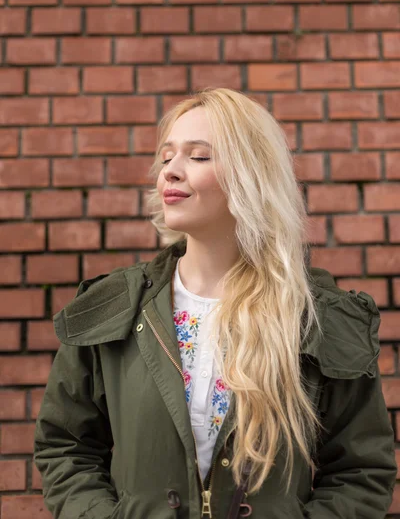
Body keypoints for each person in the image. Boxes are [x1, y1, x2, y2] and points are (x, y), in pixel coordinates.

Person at [34, 88, 396, 519]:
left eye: (199, 156)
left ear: (251, 174)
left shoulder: (317, 317)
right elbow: (66, 447)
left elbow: (360, 472)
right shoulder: (115, 307)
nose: (171, 171)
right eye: (167, 157)